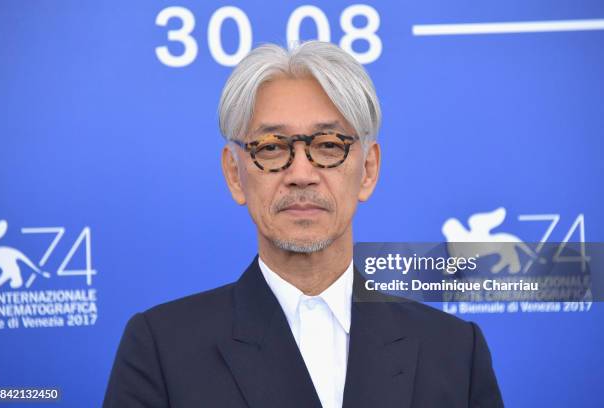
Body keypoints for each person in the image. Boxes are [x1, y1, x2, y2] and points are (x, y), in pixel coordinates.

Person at [103, 40, 504, 408]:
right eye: (272, 148)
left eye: (328, 145)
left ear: (368, 169)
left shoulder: (454, 351)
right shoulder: (161, 349)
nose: (301, 173)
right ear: (234, 174)